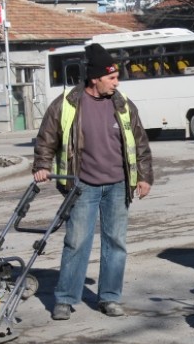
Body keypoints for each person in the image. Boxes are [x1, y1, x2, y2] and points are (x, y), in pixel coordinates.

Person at [32, 43, 154, 320]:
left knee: (116, 243)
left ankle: (110, 298)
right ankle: (65, 298)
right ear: (95, 78)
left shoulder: (122, 103)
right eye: (111, 77)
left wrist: (144, 177)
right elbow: (47, 137)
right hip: (82, 184)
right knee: (76, 241)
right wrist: (41, 165)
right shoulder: (68, 103)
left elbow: (140, 142)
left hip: (118, 185)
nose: (116, 82)